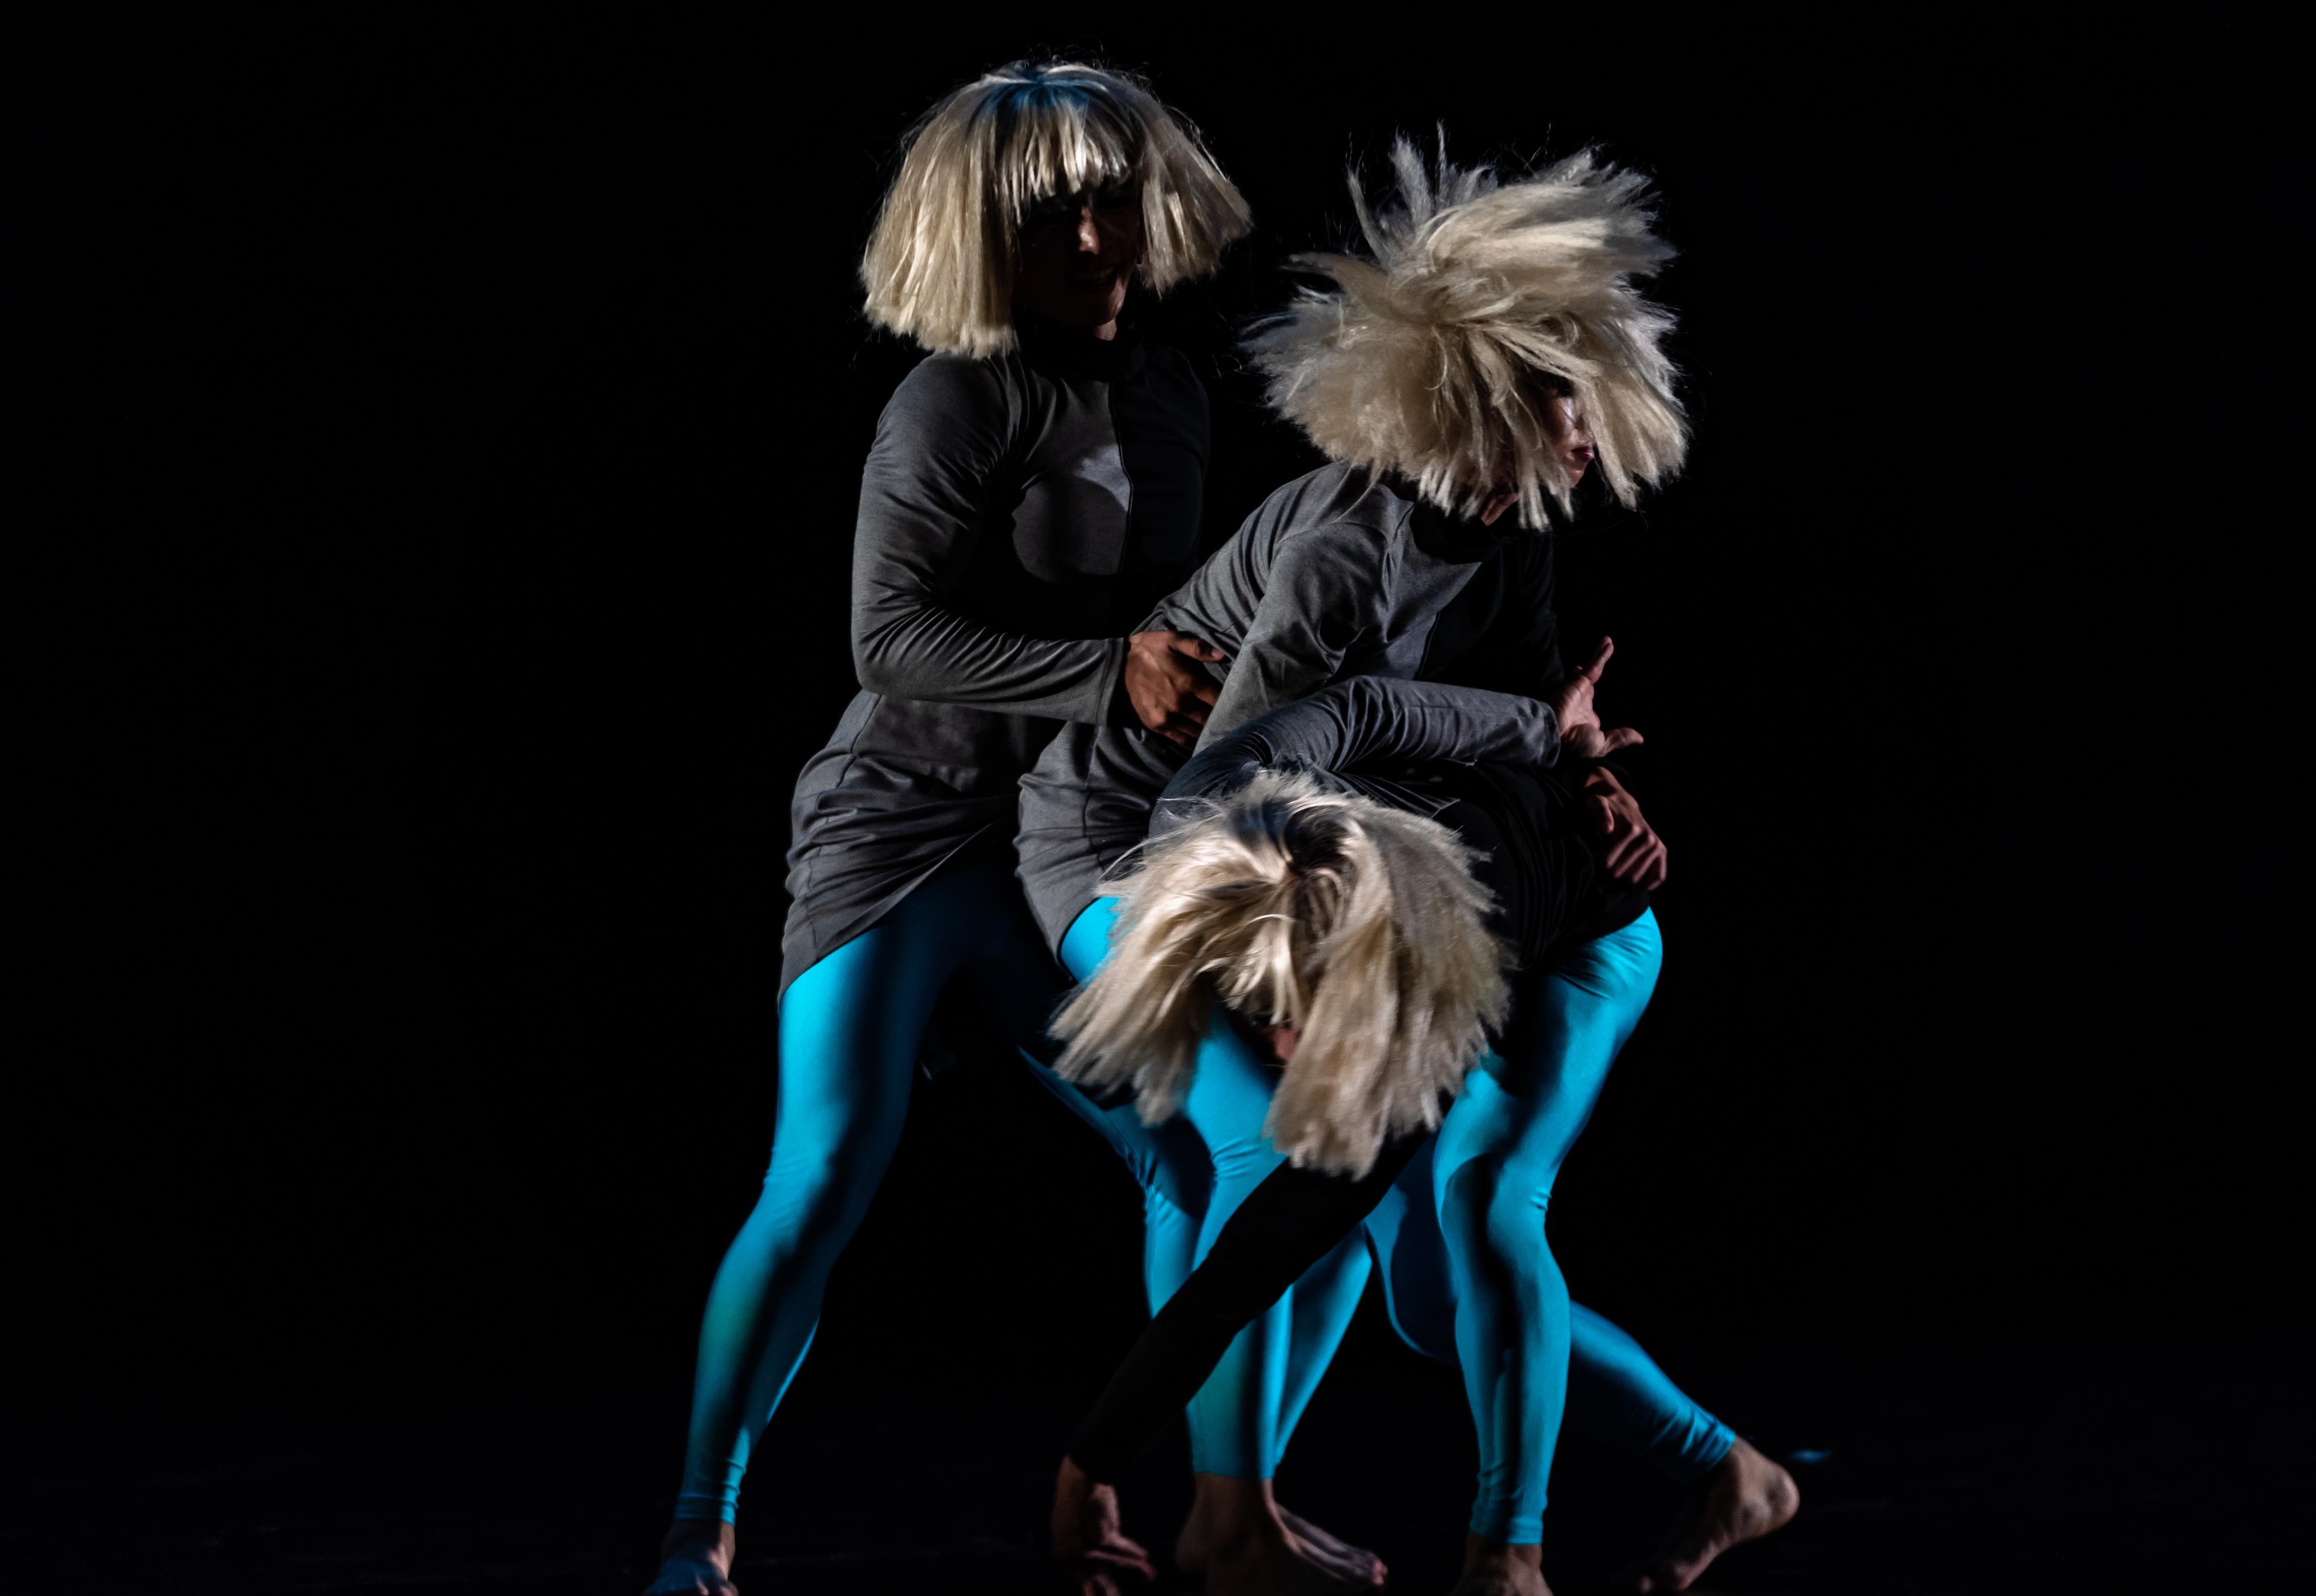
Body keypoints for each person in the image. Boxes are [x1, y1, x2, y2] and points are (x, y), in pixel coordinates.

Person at [1013, 137, 1701, 1591]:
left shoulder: (1513, 533)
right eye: (1561, 396)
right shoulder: (1347, 543)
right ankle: (1228, 1519)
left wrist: (1586, 772)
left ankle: (1228, 1509)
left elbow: (1516, 725)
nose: (1588, 429)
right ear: (1486, 398)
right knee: (1275, 1150)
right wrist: (1273, 986)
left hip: (1362, 858)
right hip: (1130, 836)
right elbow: (1228, 793)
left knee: (1357, 1204)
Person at [645, 61, 1251, 1596]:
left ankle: (1203, 1513)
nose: (1086, 237)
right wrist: (1107, 673)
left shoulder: (1174, 392)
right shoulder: (954, 396)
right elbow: (888, 637)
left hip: (1060, 842)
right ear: (986, 233)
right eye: (1043, 214)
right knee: (823, 1173)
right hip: (901, 826)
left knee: (1194, 1161)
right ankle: (699, 1533)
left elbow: (1179, 634)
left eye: (1104, 199)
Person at [1048, 678, 1800, 1596]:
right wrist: (1089, 1467)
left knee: (1488, 1194)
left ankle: (1509, 1558)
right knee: (1430, 1306)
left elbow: (1260, 1251)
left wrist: (1568, 758)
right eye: (1261, 1015)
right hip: (1451, 870)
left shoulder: (1428, 985)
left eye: (1306, 1021)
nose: (1283, 1053)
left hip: (1584, 937)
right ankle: (1733, 1472)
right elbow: (1361, 706)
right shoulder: (1205, 807)